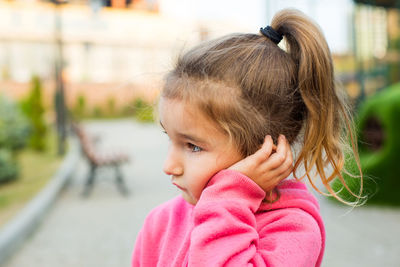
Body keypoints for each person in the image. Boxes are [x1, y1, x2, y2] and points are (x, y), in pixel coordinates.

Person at [132, 8, 363, 267]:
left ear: (264, 151)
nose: (169, 166)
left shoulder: (292, 230)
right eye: (169, 137)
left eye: (193, 146)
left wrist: (229, 197)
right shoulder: (161, 222)